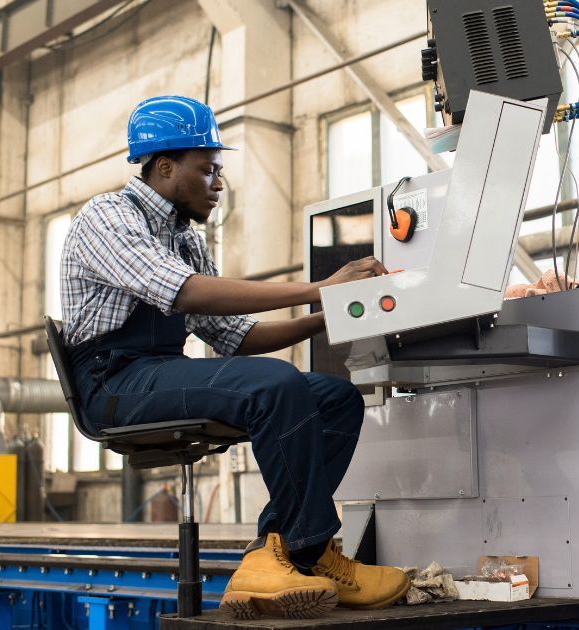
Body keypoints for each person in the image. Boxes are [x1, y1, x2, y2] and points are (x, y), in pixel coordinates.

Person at [59, 95, 409, 619]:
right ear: (164, 166)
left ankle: (283, 552)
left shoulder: (185, 240)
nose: (219, 183)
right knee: (275, 385)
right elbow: (183, 294)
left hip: (156, 373)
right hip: (111, 384)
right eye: (209, 170)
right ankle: (307, 549)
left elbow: (236, 337)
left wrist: (337, 310)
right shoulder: (107, 217)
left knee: (333, 396)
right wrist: (318, 288)